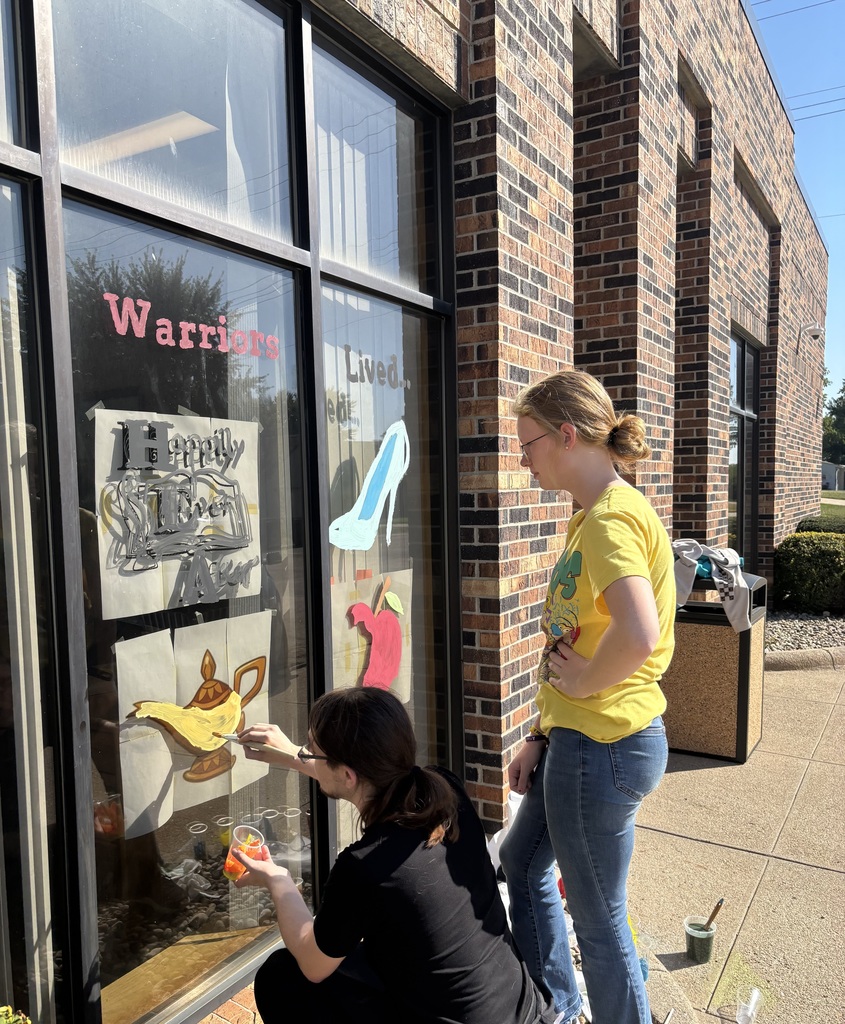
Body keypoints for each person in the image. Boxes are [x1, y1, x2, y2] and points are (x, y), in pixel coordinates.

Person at [499, 370, 676, 1024]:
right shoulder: (594, 516)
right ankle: (558, 1007)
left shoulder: (607, 521)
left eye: (528, 444)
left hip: (602, 748)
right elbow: (590, 632)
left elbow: (637, 634)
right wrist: (543, 730)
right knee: (520, 863)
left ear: (565, 434)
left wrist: (578, 685)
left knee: (598, 922)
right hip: (580, 741)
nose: (522, 460)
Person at [234, 687, 557, 1024]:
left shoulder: (365, 867)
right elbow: (352, 773)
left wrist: (279, 881)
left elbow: (314, 965)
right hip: (523, 1011)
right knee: (362, 956)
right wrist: (291, 754)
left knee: (282, 977)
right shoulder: (445, 790)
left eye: (312, 750)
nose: (306, 752)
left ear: (347, 774)